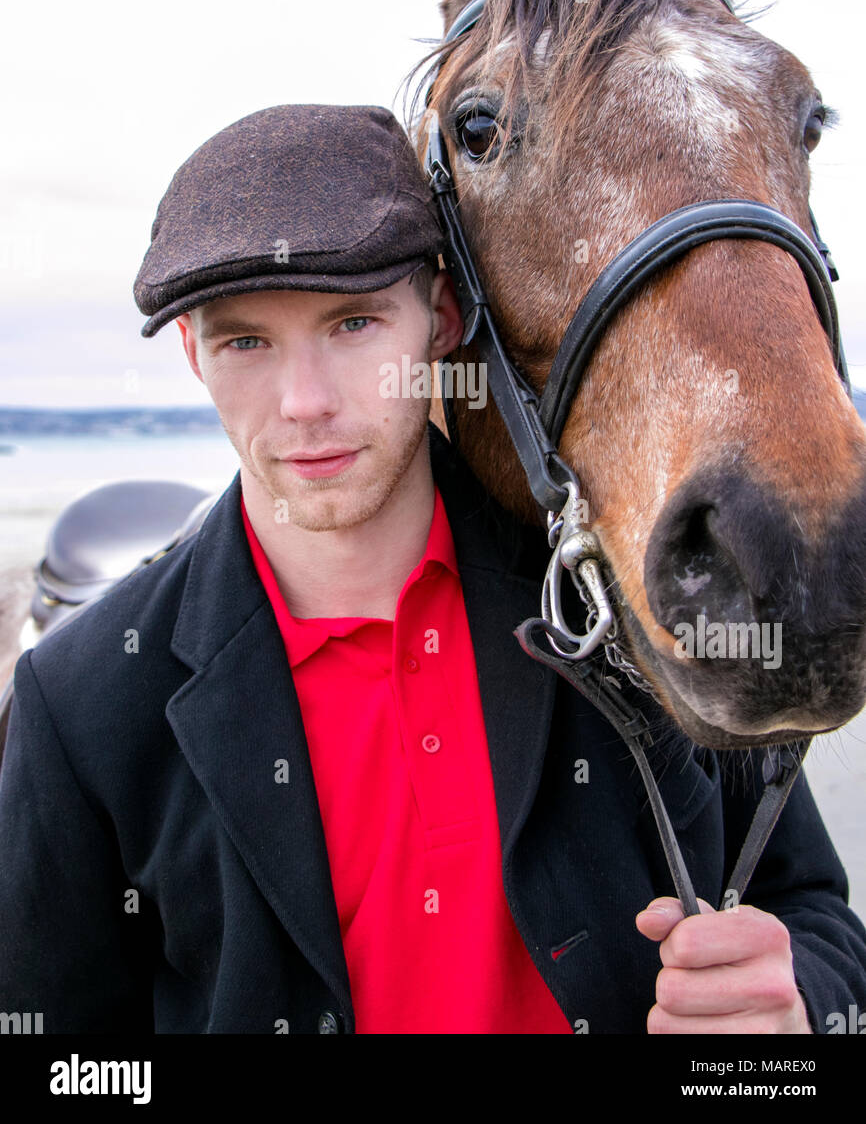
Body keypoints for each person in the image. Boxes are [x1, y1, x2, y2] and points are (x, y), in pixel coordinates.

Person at [1, 102, 865, 1036]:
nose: (304, 404)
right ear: (192, 353)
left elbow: (817, 920)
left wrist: (795, 1016)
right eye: (245, 340)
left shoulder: (636, 602)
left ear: (443, 320)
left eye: (354, 323)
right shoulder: (83, 698)